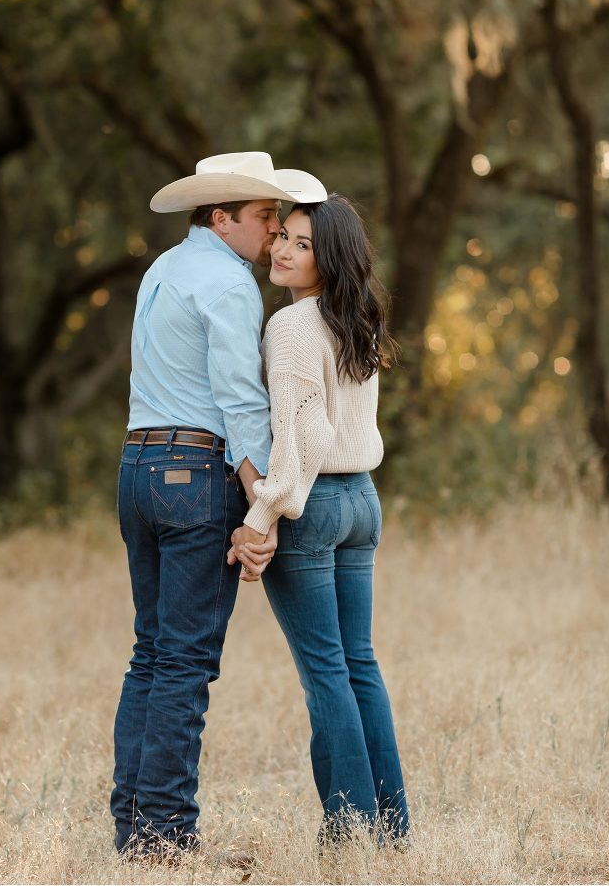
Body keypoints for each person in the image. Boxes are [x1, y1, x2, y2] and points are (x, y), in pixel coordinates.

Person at [111, 151, 327, 859]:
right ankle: (166, 834)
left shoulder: (163, 269)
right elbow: (240, 402)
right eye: (265, 218)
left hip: (137, 465)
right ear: (221, 217)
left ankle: (132, 826)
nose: (273, 233)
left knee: (151, 653)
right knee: (183, 661)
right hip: (191, 471)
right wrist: (260, 505)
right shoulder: (230, 283)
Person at [229, 193, 410, 844]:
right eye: (282, 236)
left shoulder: (293, 326)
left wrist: (263, 513)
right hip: (361, 500)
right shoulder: (353, 317)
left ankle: (350, 830)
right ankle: (391, 829)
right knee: (358, 663)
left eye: (302, 244)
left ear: (327, 257)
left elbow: (302, 433)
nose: (281, 249)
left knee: (328, 672)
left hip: (318, 504)